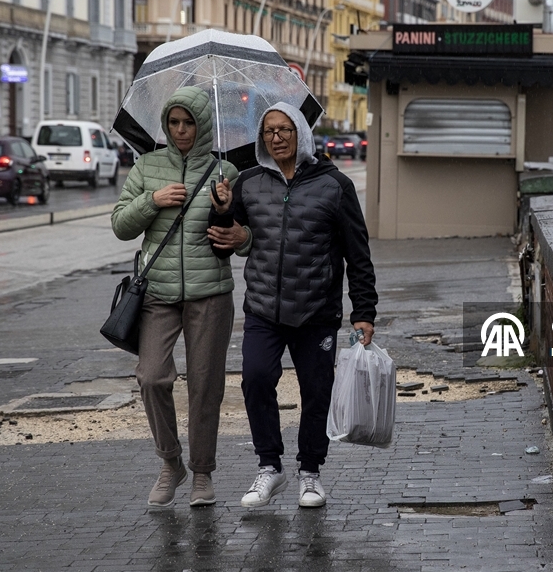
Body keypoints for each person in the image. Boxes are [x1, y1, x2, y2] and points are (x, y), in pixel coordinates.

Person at [208, 102, 377, 509]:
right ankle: (270, 467)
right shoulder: (248, 182)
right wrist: (223, 208)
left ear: (300, 132)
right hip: (264, 308)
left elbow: (358, 252)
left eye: (284, 130)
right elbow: (221, 239)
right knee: (256, 379)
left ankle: (310, 474)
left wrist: (364, 311)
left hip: (316, 312)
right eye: (268, 132)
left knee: (316, 392)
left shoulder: (334, 185)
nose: (276, 138)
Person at [111, 85, 238, 508]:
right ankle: (171, 463)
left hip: (210, 294)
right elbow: (120, 225)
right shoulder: (146, 167)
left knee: (205, 385)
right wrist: (153, 200)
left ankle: (202, 473)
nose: (181, 130)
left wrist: (226, 212)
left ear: (202, 126)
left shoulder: (226, 173)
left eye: (189, 123)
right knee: (151, 377)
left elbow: (246, 239)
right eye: (173, 122)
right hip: (158, 293)